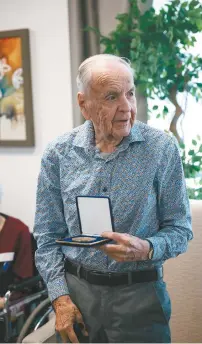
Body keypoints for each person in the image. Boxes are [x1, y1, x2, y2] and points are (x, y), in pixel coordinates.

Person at [34, 54, 192, 343]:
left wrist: (146, 248)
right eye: (111, 96)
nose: (126, 107)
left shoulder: (160, 148)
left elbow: (181, 229)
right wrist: (60, 298)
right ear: (84, 104)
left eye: (130, 93)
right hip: (77, 296)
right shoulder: (58, 153)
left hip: (140, 297)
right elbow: (46, 237)